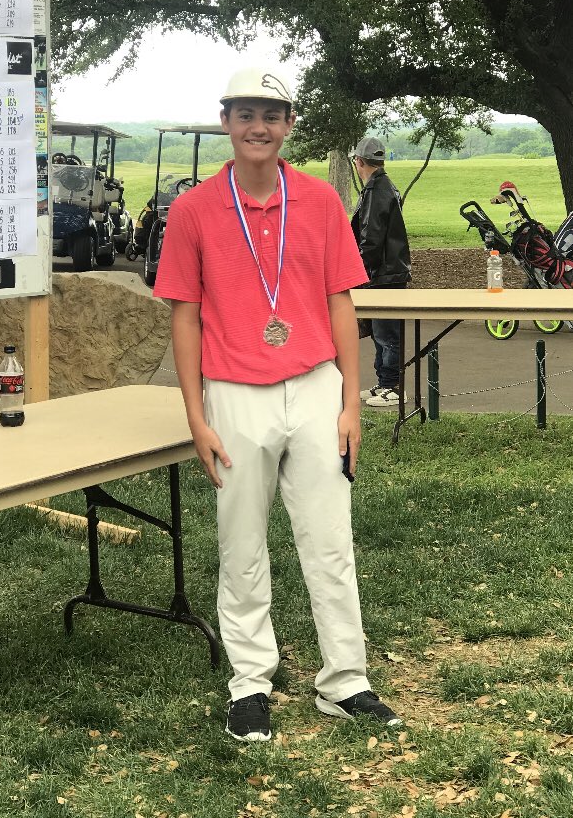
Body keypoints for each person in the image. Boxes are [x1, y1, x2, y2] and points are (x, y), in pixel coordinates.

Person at [154, 66, 401, 742]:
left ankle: (345, 679)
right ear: (226, 120)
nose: (258, 126)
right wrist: (196, 416)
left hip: (315, 383)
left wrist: (351, 403)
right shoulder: (194, 208)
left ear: (290, 124)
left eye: (272, 114)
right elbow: (184, 315)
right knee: (241, 543)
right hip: (234, 390)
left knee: (329, 540)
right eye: (245, 113)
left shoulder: (319, 200)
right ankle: (250, 682)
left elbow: (341, 302)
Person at [351, 137, 412, 407]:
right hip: (388, 272)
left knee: (387, 332)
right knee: (380, 332)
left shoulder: (376, 190)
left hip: (382, 274)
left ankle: (394, 386)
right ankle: (384, 382)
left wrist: (359, 273)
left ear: (360, 162)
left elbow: (371, 238)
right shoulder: (385, 186)